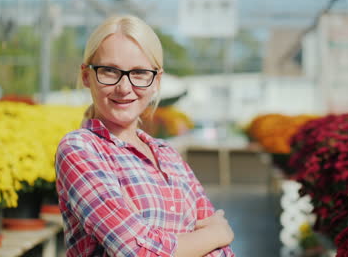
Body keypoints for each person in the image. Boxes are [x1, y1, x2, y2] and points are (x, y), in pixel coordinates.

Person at [55, 15, 235, 257]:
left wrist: (160, 239)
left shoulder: (168, 156)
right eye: (109, 71)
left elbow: (222, 253)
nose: (124, 87)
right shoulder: (80, 149)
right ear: (87, 76)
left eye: (139, 73)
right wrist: (214, 235)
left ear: (156, 81)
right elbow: (137, 251)